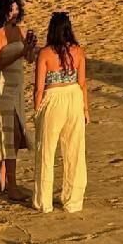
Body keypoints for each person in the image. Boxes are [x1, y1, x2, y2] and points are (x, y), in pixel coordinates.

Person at [33, 12, 88, 214]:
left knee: (46, 152)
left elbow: (39, 87)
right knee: (75, 151)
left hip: (53, 97)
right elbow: (82, 83)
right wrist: (86, 109)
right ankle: (73, 201)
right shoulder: (78, 51)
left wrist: (37, 109)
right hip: (74, 96)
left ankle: (44, 202)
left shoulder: (45, 53)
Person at [0, 0, 37, 199]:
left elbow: (30, 59)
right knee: (10, 134)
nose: (14, 13)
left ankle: (1, 178)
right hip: (1, 88)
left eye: (16, 9)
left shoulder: (20, 31)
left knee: (17, 134)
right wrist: (21, 50)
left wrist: (30, 48)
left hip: (17, 87)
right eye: (10, 9)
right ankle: (12, 186)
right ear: (2, 11)